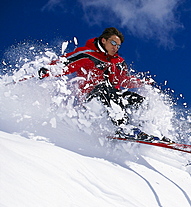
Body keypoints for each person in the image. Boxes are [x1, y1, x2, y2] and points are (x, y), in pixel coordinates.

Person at [39, 27, 168, 142]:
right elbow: (66, 63)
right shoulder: (88, 54)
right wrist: (47, 70)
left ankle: (149, 129)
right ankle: (123, 127)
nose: (115, 47)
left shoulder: (118, 62)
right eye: (113, 43)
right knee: (104, 88)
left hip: (113, 98)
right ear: (103, 41)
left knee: (136, 99)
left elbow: (124, 80)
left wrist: (142, 82)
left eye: (118, 46)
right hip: (90, 101)